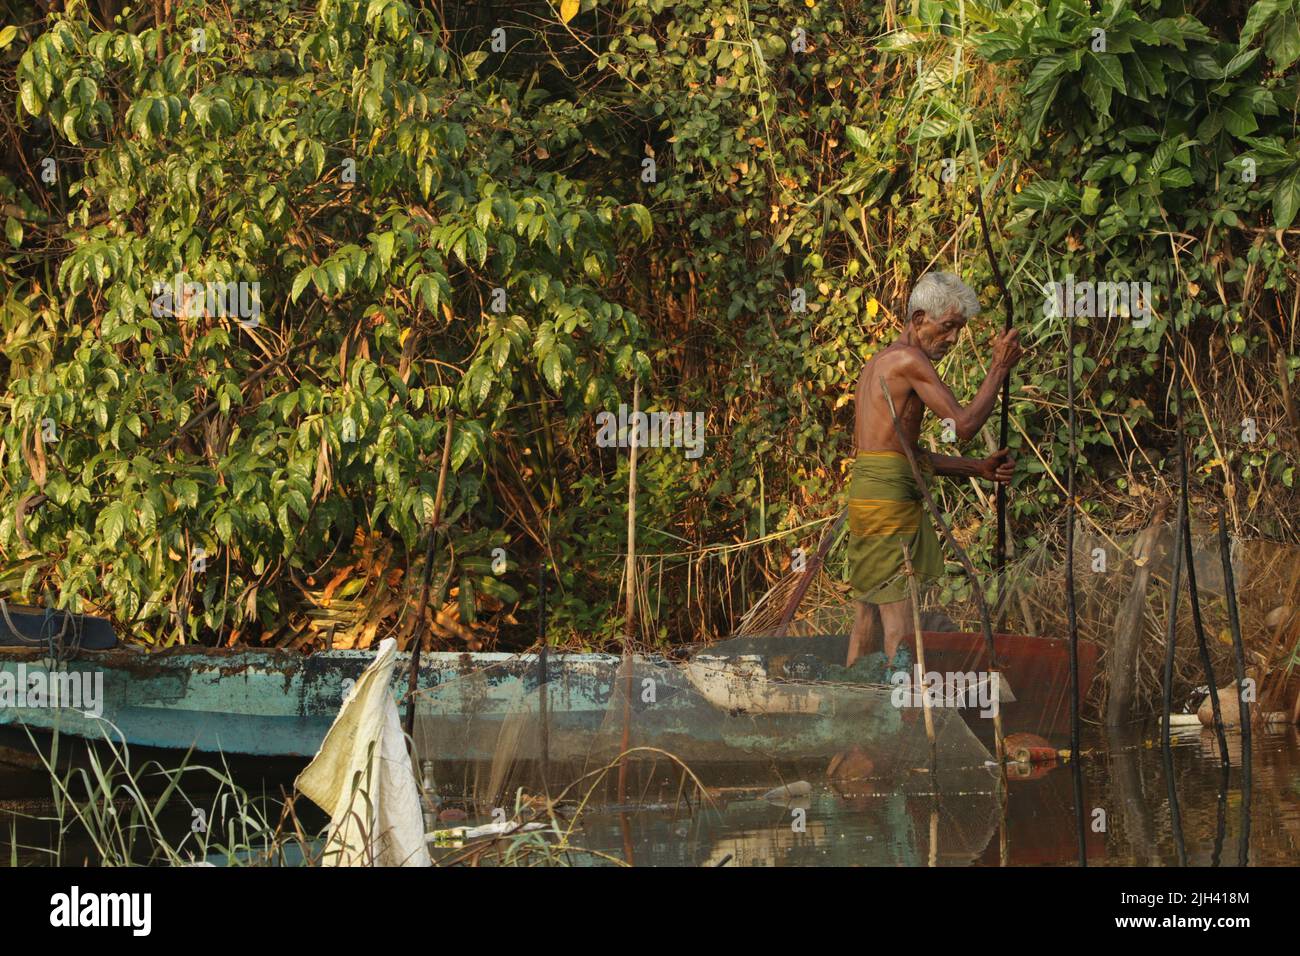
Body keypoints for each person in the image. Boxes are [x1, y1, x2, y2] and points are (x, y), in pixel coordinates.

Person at [845, 271, 1023, 678]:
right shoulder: (910, 361)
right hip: (887, 505)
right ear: (919, 317)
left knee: (867, 614)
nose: (953, 338)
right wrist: (998, 368)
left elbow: (902, 455)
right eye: (948, 327)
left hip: (872, 496)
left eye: (959, 329)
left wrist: (976, 468)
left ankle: (859, 711)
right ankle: (900, 715)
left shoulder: (880, 361)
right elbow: (962, 427)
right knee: (898, 620)